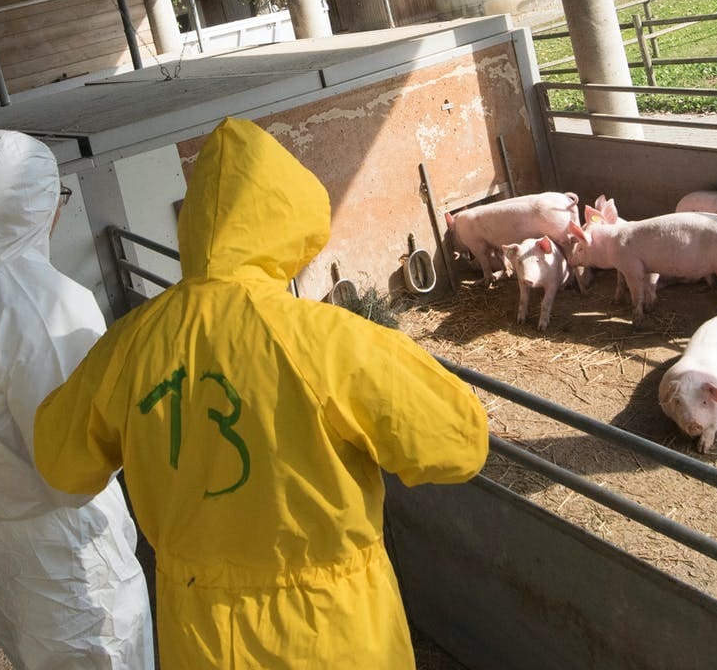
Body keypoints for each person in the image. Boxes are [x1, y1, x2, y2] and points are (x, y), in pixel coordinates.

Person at [34, 116, 490, 668]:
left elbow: (61, 464)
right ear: (288, 219)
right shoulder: (330, 341)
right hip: (332, 634)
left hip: (199, 633)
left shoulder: (130, 345)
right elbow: (460, 444)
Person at [0, 130, 154, 669]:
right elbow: (76, 460)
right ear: (36, 205)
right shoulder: (43, 302)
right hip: (68, 552)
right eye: (56, 198)